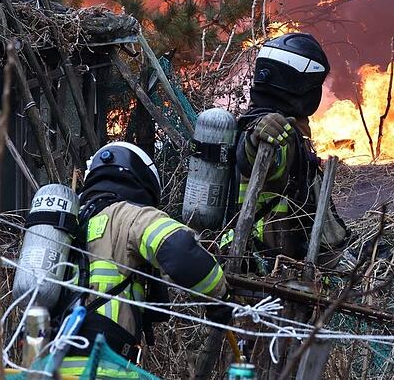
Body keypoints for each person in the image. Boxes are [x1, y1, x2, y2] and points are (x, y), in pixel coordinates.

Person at [58, 141, 230, 375]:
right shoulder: (129, 215)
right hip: (102, 369)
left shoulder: (69, 221)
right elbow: (180, 251)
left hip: (49, 366)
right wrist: (218, 294)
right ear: (143, 181)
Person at [225, 33, 349, 265]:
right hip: (266, 265)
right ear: (302, 86)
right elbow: (253, 156)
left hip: (259, 258)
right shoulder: (277, 134)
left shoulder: (251, 121)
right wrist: (259, 137)